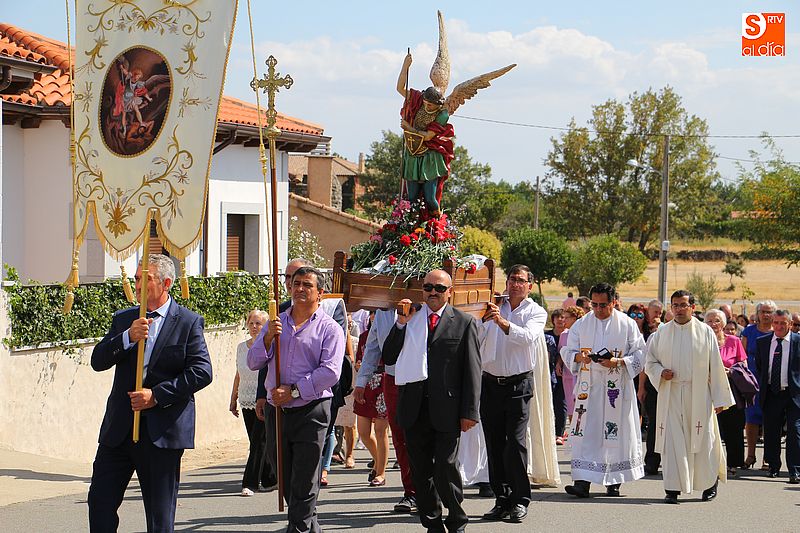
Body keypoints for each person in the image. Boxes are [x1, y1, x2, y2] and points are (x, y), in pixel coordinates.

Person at [87, 254, 212, 533]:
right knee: (99, 502)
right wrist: (127, 338)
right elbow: (98, 361)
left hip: (161, 434)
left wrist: (156, 395)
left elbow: (202, 372)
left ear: (166, 283)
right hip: (119, 430)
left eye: (146, 279)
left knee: (159, 517)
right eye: (136, 279)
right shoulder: (124, 319)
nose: (138, 285)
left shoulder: (188, 322)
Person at [382, 269, 481, 533]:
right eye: (428, 288)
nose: (433, 293)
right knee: (420, 471)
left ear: (450, 291)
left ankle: (457, 519)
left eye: (439, 288)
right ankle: (433, 523)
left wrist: (470, 411)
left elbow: (472, 369)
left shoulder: (464, 322)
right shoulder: (410, 318)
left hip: (448, 409)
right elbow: (389, 356)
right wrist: (400, 324)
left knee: (446, 467)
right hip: (414, 408)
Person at [248, 266, 345, 533]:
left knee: (305, 479)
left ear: (320, 293)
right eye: (296, 283)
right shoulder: (275, 323)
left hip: (312, 410)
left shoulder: (330, 329)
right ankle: (307, 526)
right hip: (277, 411)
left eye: (307, 285)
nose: (300, 288)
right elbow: (253, 362)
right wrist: (267, 338)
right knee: (286, 477)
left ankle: (299, 528)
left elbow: (330, 372)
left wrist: (293, 391)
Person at [646, 290, 735, 504]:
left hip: (699, 394)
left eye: (683, 305)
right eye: (675, 305)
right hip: (672, 393)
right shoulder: (662, 332)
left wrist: (720, 399)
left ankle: (709, 483)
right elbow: (650, 362)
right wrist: (661, 372)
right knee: (673, 442)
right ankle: (672, 488)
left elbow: (715, 366)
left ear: (692, 307)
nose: (678, 309)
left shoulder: (705, 332)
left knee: (704, 439)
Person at [562, 283, 646, 498]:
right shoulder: (582, 324)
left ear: (613, 302)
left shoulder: (627, 324)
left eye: (603, 305)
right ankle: (582, 482)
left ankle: (614, 481)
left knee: (614, 433)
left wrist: (618, 361)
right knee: (586, 433)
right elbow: (568, 350)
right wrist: (579, 357)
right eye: (595, 305)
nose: (598, 309)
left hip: (616, 388)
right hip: (589, 388)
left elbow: (640, 353)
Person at [478, 265, 547, 523]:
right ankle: (502, 499)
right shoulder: (493, 305)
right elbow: (477, 335)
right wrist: (485, 319)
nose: (515, 284)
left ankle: (520, 500)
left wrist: (501, 322)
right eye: (512, 279)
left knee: (515, 443)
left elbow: (527, 338)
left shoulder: (536, 311)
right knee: (494, 443)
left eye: (520, 280)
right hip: (490, 383)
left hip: (518, 384)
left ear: (529, 285)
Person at [254, 258, 311, 493]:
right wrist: (261, 394)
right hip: (276, 401)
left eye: (297, 278)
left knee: (306, 468)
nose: (291, 283)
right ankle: (300, 512)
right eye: (288, 278)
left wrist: (297, 390)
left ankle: (303, 511)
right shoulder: (277, 313)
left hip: (312, 401)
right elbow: (263, 360)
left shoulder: (326, 311)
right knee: (281, 464)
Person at [355, 308, 418, 513]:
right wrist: (361, 381)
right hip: (392, 379)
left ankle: (430, 490)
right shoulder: (382, 314)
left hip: (421, 378)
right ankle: (411, 492)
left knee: (422, 437)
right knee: (399, 438)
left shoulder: (423, 306)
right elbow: (372, 348)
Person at [396, 52, 455, 215]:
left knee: (430, 198)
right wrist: (405, 66)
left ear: (438, 104)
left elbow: (429, 136)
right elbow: (400, 88)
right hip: (413, 153)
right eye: (426, 103)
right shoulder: (417, 99)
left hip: (430, 157)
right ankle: (411, 224)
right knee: (412, 198)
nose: (427, 107)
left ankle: (436, 223)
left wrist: (408, 128)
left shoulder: (442, 114)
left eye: (431, 105)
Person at [230, 309, 275, 496]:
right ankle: (271, 478)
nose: (255, 327)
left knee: (258, 441)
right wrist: (233, 398)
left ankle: (250, 483)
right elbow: (238, 374)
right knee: (257, 441)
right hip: (245, 398)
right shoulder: (241, 347)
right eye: (252, 323)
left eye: (259, 323)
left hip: (263, 398)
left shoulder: (269, 345)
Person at [755, 310, 800, 483]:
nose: (779, 326)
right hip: (771, 392)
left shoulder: (797, 341)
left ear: (790, 324)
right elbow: (760, 367)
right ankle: (773, 466)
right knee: (771, 431)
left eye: (783, 323)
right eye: (776, 323)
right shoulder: (763, 342)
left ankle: (794, 470)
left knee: (794, 431)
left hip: (794, 394)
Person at [706, 309, 748, 476]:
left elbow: (743, 365)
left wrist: (730, 371)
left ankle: (733, 463)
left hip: (730, 387)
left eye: (717, 320)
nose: (713, 324)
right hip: (706, 388)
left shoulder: (734, 341)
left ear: (723, 323)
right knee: (709, 428)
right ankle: (709, 463)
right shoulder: (700, 340)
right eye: (709, 321)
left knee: (733, 428)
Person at [353, 312, 391, 487]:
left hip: (385, 380)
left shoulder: (392, 331)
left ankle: (381, 473)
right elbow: (360, 359)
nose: (374, 316)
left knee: (381, 430)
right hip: (366, 382)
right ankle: (378, 460)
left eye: (377, 314)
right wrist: (358, 366)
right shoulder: (364, 336)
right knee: (363, 432)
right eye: (372, 314)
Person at [740, 300, 776, 470]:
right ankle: (751, 455)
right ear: (758, 313)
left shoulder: (777, 332)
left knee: (770, 420)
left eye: (769, 312)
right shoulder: (749, 331)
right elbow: (742, 355)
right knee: (751, 419)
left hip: (770, 380)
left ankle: (767, 458)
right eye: (763, 311)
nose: (766, 315)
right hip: (752, 381)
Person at [555, 305, 585, 438]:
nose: (563, 320)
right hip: (567, 374)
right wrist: (559, 364)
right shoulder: (564, 334)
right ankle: (574, 432)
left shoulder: (584, 333)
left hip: (580, 374)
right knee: (570, 404)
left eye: (567, 317)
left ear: (575, 318)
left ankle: (582, 432)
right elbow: (561, 351)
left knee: (580, 404)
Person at [547, 309, 568, 444]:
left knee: (561, 403)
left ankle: (559, 433)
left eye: (563, 317)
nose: (560, 320)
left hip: (565, 374)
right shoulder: (547, 335)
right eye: (557, 317)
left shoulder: (570, 335)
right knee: (550, 403)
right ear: (553, 320)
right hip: (549, 374)